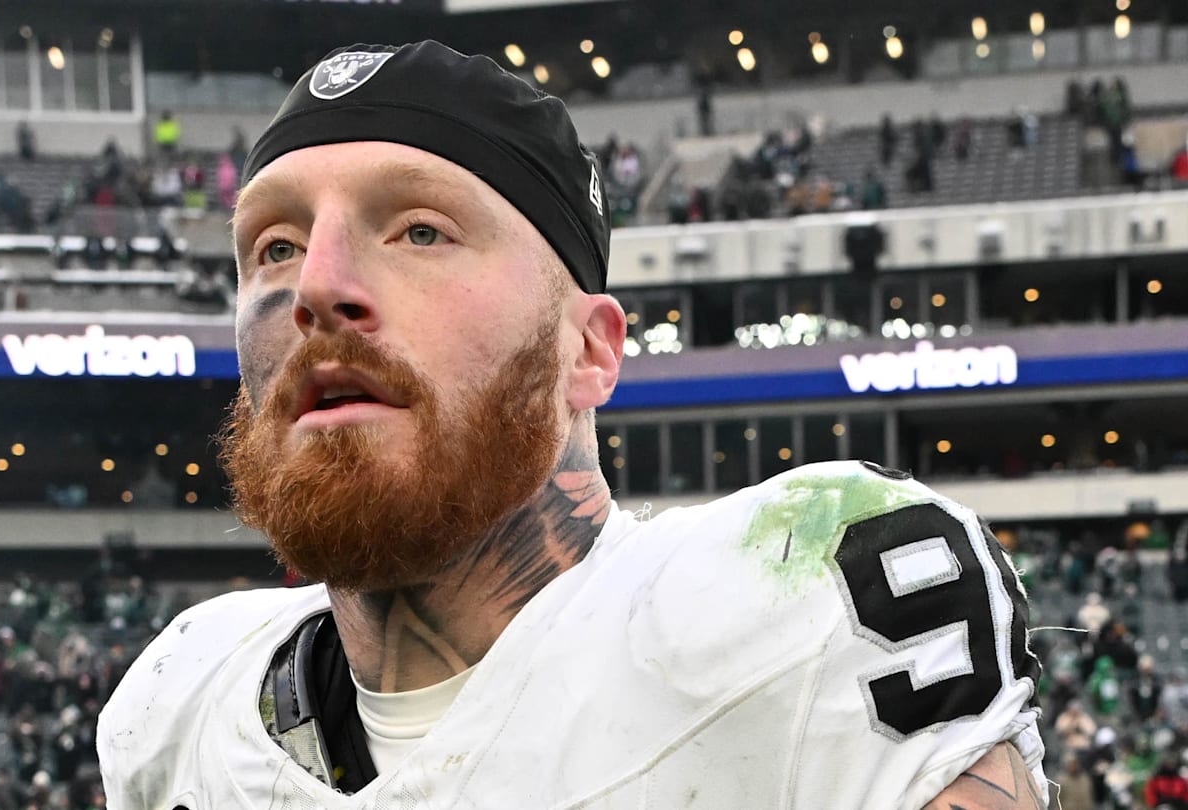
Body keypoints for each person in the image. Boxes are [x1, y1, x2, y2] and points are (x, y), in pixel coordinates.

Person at [97, 40, 1046, 808]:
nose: (317, 286)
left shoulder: (802, 602)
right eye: (275, 246)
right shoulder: (178, 705)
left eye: (420, 230)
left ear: (588, 352)